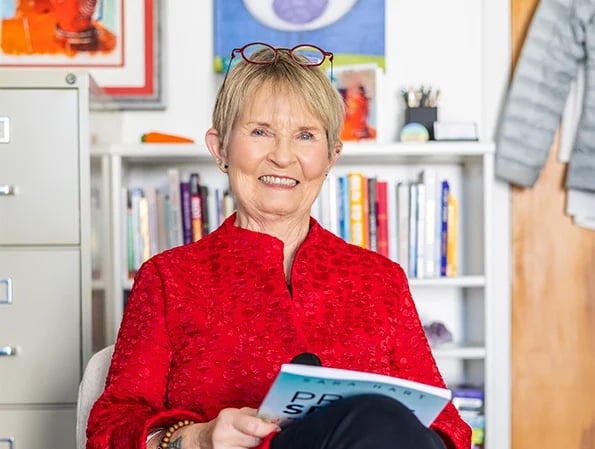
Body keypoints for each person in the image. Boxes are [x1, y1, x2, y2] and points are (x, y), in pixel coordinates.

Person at [86, 42, 471, 449]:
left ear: (331, 156)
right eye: (260, 132)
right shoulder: (169, 279)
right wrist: (197, 438)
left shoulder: (381, 281)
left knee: (377, 418)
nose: (283, 157)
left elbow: (451, 429)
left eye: (305, 136)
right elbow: (108, 431)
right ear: (220, 149)